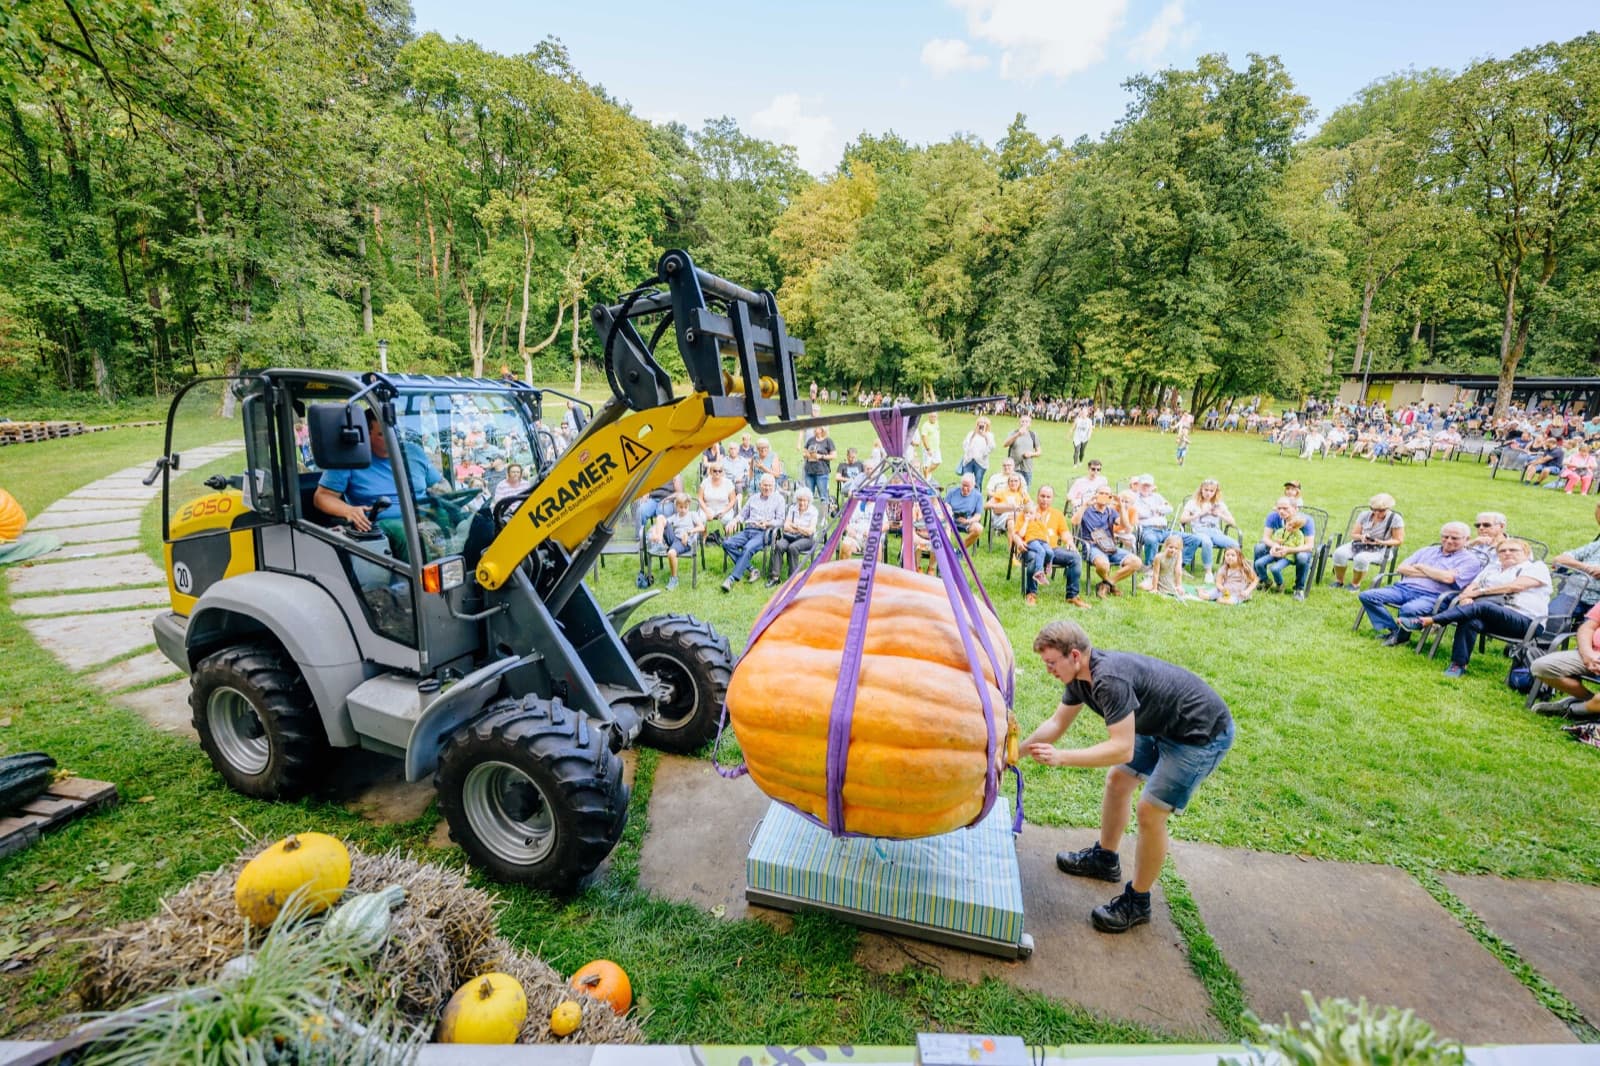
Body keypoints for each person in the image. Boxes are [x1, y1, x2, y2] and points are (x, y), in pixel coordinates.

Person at [1026, 620, 1234, 933]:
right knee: (1118, 782)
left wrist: (1062, 757)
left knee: (1150, 811)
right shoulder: (1079, 679)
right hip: (1160, 724)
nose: (1049, 670)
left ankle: (1138, 901)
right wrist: (1012, 753)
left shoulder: (1109, 680)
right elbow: (1056, 724)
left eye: (1052, 663)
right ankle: (1105, 859)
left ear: (1074, 656)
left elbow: (1121, 749)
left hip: (1199, 733)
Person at [1408, 539, 1552, 678]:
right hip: (1492, 617)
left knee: (1483, 606)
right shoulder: (1492, 568)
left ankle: (1432, 620)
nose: (1507, 553)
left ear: (1526, 553)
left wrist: (1479, 593)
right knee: (1469, 620)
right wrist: (1465, 598)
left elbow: (1515, 586)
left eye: (1513, 550)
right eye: (1502, 551)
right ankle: (1458, 665)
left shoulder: (1536, 567)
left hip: (1526, 621)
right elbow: (1472, 586)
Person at [1358, 523, 1484, 646]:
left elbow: (1448, 578)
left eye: (1455, 538)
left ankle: (1401, 638)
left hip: (1434, 596)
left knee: (1409, 609)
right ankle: (1394, 630)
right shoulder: (1427, 551)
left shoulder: (1470, 560)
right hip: (1403, 589)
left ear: (1467, 539)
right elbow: (1401, 568)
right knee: (1367, 596)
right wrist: (1436, 574)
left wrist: (1422, 567)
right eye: (1445, 536)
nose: (1449, 541)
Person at [1011, 485, 1086, 608]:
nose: (1045, 499)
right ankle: (1031, 594)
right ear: (1037, 496)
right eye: (1042, 496)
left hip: (1051, 549)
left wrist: (1069, 541)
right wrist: (1019, 541)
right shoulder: (1028, 511)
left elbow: (1064, 532)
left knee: (1075, 557)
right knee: (1034, 557)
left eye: (1048, 497)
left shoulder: (1057, 514)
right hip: (1031, 547)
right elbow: (1015, 533)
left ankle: (1072, 596)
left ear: (1052, 499)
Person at [1529, 601, 1600, 720]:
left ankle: (1574, 710)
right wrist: (1588, 654)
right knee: (1541, 666)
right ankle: (1590, 703)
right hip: (1592, 653)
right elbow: (1587, 628)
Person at [720, 475, 785, 591]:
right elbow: (742, 515)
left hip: (765, 532)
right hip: (749, 530)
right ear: (760, 485)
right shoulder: (753, 498)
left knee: (748, 548)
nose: (767, 488)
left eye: (770, 486)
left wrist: (768, 523)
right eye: (765, 485)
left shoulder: (779, 499)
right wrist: (734, 521)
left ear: (774, 486)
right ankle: (752, 569)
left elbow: (781, 520)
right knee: (727, 543)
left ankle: (731, 579)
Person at [1329, 494, 1404, 591]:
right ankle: (1339, 581)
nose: (1376, 513)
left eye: (1381, 510)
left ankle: (1355, 585)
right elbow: (1354, 534)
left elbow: (1398, 541)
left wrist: (1380, 542)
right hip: (1359, 544)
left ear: (1389, 508)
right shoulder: (1364, 515)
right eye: (1373, 509)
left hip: (1381, 549)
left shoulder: (1395, 519)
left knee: (1361, 558)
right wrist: (1362, 537)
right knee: (1339, 553)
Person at [1078, 487, 1142, 597]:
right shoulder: (1087, 510)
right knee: (1103, 565)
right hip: (1092, 546)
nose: (1104, 496)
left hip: (1109, 546)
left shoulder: (1111, 512)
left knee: (1136, 562)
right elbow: (1074, 522)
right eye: (1101, 493)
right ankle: (1110, 585)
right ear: (1096, 494)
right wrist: (1085, 505)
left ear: (1110, 497)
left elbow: (1126, 527)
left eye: (1107, 494)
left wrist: (1122, 507)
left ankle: (1107, 584)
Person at [1179, 479, 1238, 584]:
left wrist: (1220, 514)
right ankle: (1208, 572)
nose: (1208, 493)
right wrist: (1200, 513)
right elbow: (1182, 519)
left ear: (1216, 492)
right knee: (1207, 543)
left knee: (1234, 544)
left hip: (1215, 532)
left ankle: (1228, 570)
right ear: (1201, 489)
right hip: (1199, 531)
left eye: (1211, 491)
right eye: (1206, 490)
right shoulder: (1193, 503)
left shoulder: (1219, 504)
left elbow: (1233, 522)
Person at [646, 493, 704, 590]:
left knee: (671, 553)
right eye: (680, 507)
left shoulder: (692, 515)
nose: (683, 510)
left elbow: (702, 527)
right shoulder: (675, 516)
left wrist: (689, 532)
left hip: (684, 542)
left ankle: (674, 579)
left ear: (689, 506)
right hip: (674, 539)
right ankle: (659, 543)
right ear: (676, 506)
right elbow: (660, 524)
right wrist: (653, 533)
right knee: (660, 517)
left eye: (686, 507)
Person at [766, 487, 820, 586]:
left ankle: (793, 579)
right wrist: (801, 529)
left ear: (808, 500)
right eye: (800, 500)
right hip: (790, 536)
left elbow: (810, 531)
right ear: (796, 500)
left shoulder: (813, 511)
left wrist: (796, 527)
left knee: (793, 548)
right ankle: (775, 577)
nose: (802, 503)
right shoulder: (793, 508)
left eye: (804, 500)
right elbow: (786, 527)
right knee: (779, 545)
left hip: (806, 539)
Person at [1255, 511, 1310, 594]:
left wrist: (1288, 550)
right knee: (1258, 563)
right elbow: (1274, 543)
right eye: (1289, 525)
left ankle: (1280, 585)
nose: (1291, 528)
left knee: (1274, 569)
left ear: (1299, 527)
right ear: (1286, 522)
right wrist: (1274, 548)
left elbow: (1299, 548)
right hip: (1275, 554)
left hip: (1287, 557)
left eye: (1294, 527)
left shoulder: (1299, 535)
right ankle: (1266, 581)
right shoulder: (1280, 531)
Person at [942, 472, 986, 551]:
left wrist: (968, 521)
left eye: (968, 486)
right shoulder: (952, 492)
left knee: (978, 528)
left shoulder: (978, 496)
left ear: (973, 485)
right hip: (950, 520)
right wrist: (948, 509)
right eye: (963, 485)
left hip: (966, 521)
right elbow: (943, 507)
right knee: (943, 525)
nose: (965, 488)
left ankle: (960, 550)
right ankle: (949, 551)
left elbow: (978, 515)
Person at [698, 461, 739, 536]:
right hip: (708, 507)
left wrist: (724, 511)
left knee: (727, 519)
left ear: (722, 472)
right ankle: (704, 536)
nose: (717, 473)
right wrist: (706, 511)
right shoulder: (705, 482)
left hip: (724, 508)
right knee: (701, 518)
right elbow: (700, 498)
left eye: (720, 471)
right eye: (715, 471)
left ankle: (727, 537)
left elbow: (733, 500)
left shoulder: (728, 483)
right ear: (711, 472)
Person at [1144, 533, 1189, 599]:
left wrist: (1179, 585)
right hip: (1160, 578)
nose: (1173, 550)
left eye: (1176, 548)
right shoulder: (1159, 557)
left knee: (1179, 591)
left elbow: (1178, 571)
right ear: (1166, 546)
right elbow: (1156, 573)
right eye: (1171, 547)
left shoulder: (1178, 555)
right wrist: (1154, 588)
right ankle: (1151, 584)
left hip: (1171, 578)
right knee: (1145, 587)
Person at [1003, 414, 1042, 487]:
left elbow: (1039, 452)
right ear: (1019, 422)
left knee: (1025, 488)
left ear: (1030, 424)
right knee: (1011, 488)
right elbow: (1005, 444)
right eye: (1022, 421)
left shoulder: (1033, 435)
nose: (1024, 423)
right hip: (1013, 467)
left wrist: (1031, 454)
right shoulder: (1013, 433)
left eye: (1027, 422)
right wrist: (1018, 434)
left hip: (1027, 468)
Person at [988, 472, 1031, 538]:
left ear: (1020, 483)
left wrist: (1024, 508)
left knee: (1016, 520)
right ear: (1008, 483)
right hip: (1003, 516)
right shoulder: (1002, 492)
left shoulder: (1023, 494)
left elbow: (1031, 507)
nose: (1013, 483)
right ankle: (1012, 544)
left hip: (1018, 516)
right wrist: (1005, 507)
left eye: (1016, 481)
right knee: (1011, 522)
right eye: (1011, 481)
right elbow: (987, 505)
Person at [801, 426, 836, 506]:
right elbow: (804, 452)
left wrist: (821, 456)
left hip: (821, 472)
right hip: (809, 471)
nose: (815, 429)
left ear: (822, 429)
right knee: (808, 496)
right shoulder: (811, 440)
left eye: (817, 427)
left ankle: (824, 512)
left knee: (823, 496)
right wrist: (808, 455)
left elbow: (834, 456)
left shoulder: (828, 441)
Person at [961, 416, 997, 486]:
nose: (981, 425)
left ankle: (977, 493)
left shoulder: (989, 435)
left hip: (981, 462)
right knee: (966, 481)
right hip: (969, 460)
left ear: (987, 425)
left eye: (983, 424)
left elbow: (991, 447)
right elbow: (965, 445)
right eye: (979, 424)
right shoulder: (971, 433)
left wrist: (985, 436)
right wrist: (973, 435)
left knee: (978, 482)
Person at [916, 412, 942, 478]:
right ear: (929, 417)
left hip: (936, 448)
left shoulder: (936, 423)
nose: (933, 418)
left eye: (935, 416)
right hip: (928, 449)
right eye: (932, 416)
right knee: (926, 465)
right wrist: (928, 449)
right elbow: (924, 438)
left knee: (938, 461)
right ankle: (926, 479)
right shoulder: (925, 426)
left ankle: (926, 473)